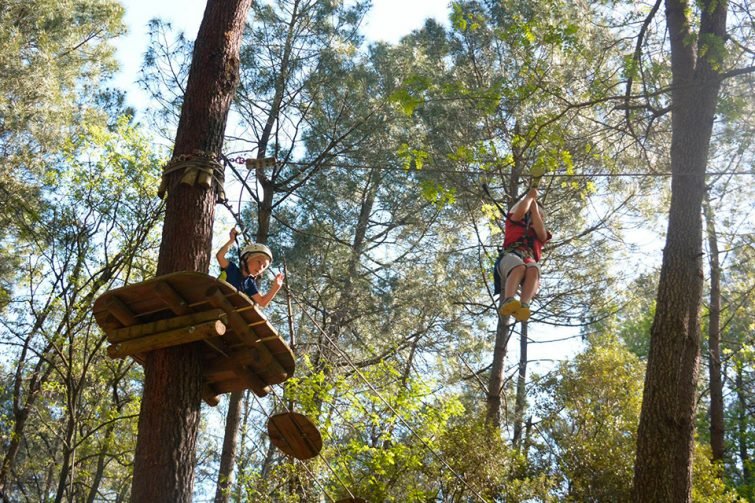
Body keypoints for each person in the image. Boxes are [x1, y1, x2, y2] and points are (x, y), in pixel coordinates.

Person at [494, 187, 551, 321]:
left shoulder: (538, 234)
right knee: (518, 266)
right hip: (510, 255)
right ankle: (509, 299)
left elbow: (542, 234)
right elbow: (519, 213)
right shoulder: (514, 223)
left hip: (528, 257)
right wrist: (529, 198)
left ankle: (524, 305)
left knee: (534, 269)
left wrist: (534, 209)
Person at [215, 228, 285, 308]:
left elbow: (262, 302)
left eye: (264, 266)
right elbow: (219, 256)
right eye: (259, 262)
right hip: (215, 299)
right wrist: (231, 241)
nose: (260, 267)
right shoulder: (232, 269)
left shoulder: (249, 284)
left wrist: (276, 287)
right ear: (247, 258)